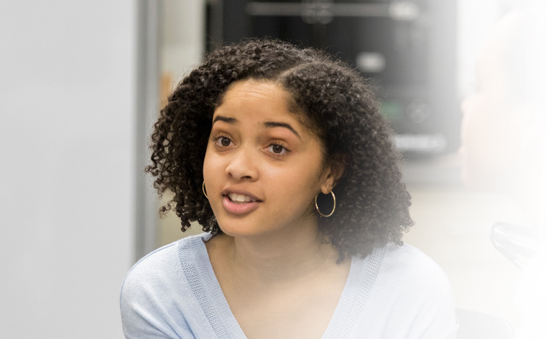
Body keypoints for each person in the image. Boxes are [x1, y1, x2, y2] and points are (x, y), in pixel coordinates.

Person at [121, 39, 456, 338]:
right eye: (224, 140)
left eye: (276, 147)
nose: (238, 168)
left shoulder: (410, 287)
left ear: (331, 172)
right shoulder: (161, 291)